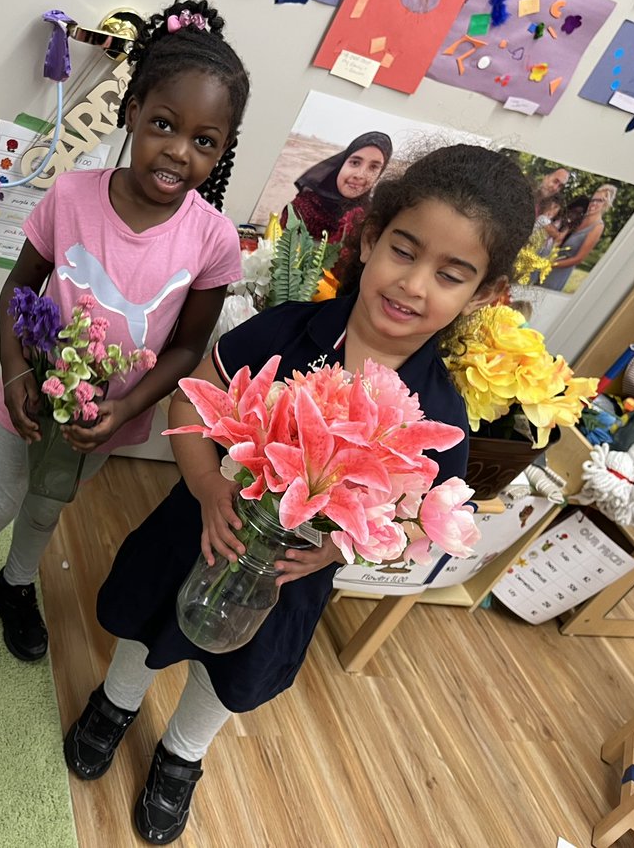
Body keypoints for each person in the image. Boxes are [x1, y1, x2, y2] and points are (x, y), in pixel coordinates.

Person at [67, 144, 534, 844]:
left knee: (230, 672)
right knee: (146, 623)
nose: (413, 284)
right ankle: (115, 704)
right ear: (370, 238)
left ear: (485, 294)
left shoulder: (438, 416)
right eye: (403, 251)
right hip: (203, 522)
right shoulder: (289, 333)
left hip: (288, 579)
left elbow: (413, 526)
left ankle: (181, 756)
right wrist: (203, 484)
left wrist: (330, 556)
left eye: (451, 274)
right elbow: (194, 408)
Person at [0, 0, 249, 672]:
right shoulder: (70, 196)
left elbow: (188, 347)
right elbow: (20, 289)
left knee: (46, 507)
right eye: (162, 125)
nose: (178, 153)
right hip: (29, 396)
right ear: (131, 114)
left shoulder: (213, 240)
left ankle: (15, 585)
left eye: (204, 141)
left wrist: (127, 407)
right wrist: (14, 373)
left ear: (223, 146)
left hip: (112, 418)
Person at [284, 131, 392, 246]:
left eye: (373, 167)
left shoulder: (370, 220)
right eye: (355, 163)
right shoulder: (302, 207)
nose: (360, 175)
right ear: (342, 163)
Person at [542, 183, 617, 292]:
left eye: (599, 200)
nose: (593, 204)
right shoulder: (580, 217)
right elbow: (559, 237)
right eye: (593, 200)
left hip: (557, 272)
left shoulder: (598, 226)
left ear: (606, 204)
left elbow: (578, 259)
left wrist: (548, 264)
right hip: (545, 261)